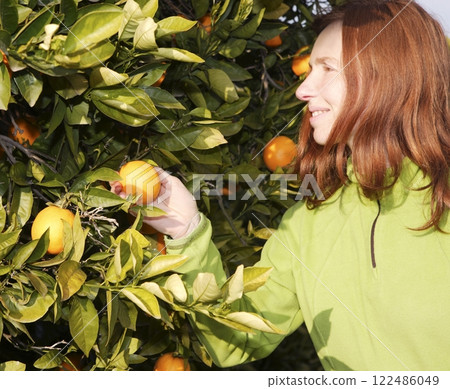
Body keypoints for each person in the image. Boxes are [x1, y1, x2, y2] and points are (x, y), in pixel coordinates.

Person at [114, 0, 450, 370]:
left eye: (327, 70)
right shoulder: (307, 222)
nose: (302, 91)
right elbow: (238, 339)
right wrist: (186, 229)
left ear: (389, 75)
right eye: (309, 71)